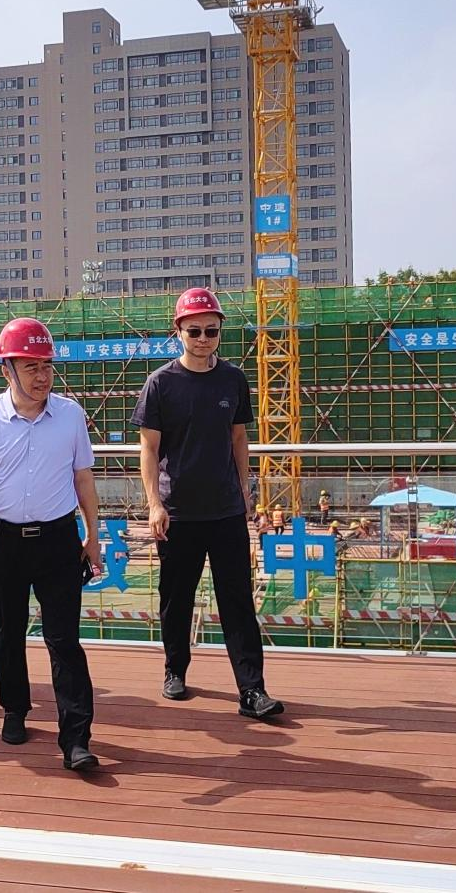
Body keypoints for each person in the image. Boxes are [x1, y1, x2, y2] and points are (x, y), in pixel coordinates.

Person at [0, 317, 102, 771]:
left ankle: (76, 738)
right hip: (3, 541)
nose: (42, 376)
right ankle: (14, 709)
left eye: (47, 366)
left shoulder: (71, 416)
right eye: (31, 367)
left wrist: (93, 536)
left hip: (58, 541)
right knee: (7, 633)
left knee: (64, 640)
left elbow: (83, 479)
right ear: (7, 370)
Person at [133, 287, 283, 721]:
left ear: (220, 332)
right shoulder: (161, 383)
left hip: (226, 510)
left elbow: (239, 437)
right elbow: (148, 449)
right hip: (178, 512)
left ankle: (252, 690)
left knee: (237, 600)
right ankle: (174, 670)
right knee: (175, 597)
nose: (203, 339)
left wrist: (245, 490)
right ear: (178, 331)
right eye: (194, 331)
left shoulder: (233, 379)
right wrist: (154, 504)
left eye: (211, 331)